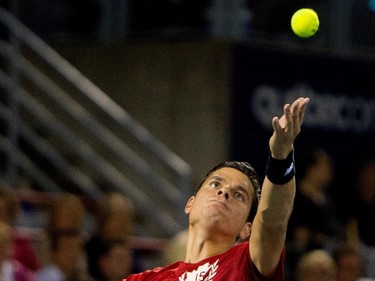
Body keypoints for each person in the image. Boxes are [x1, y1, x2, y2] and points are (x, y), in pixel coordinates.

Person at [122, 96, 310, 280]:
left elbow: (273, 223)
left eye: (239, 195)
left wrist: (281, 157)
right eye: (215, 184)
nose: (223, 192)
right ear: (190, 204)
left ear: (247, 229)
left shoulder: (246, 263)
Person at [36, 192, 92, 281]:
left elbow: (81, 268)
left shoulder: (79, 240)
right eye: (65, 213)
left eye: (71, 214)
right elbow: (42, 267)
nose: (68, 218)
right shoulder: (45, 240)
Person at [85, 192, 136, 281]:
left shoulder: (132, 251)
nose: (123, 224)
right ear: (104, 220)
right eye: (118, 218)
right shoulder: (91, 250)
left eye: (126, 219)